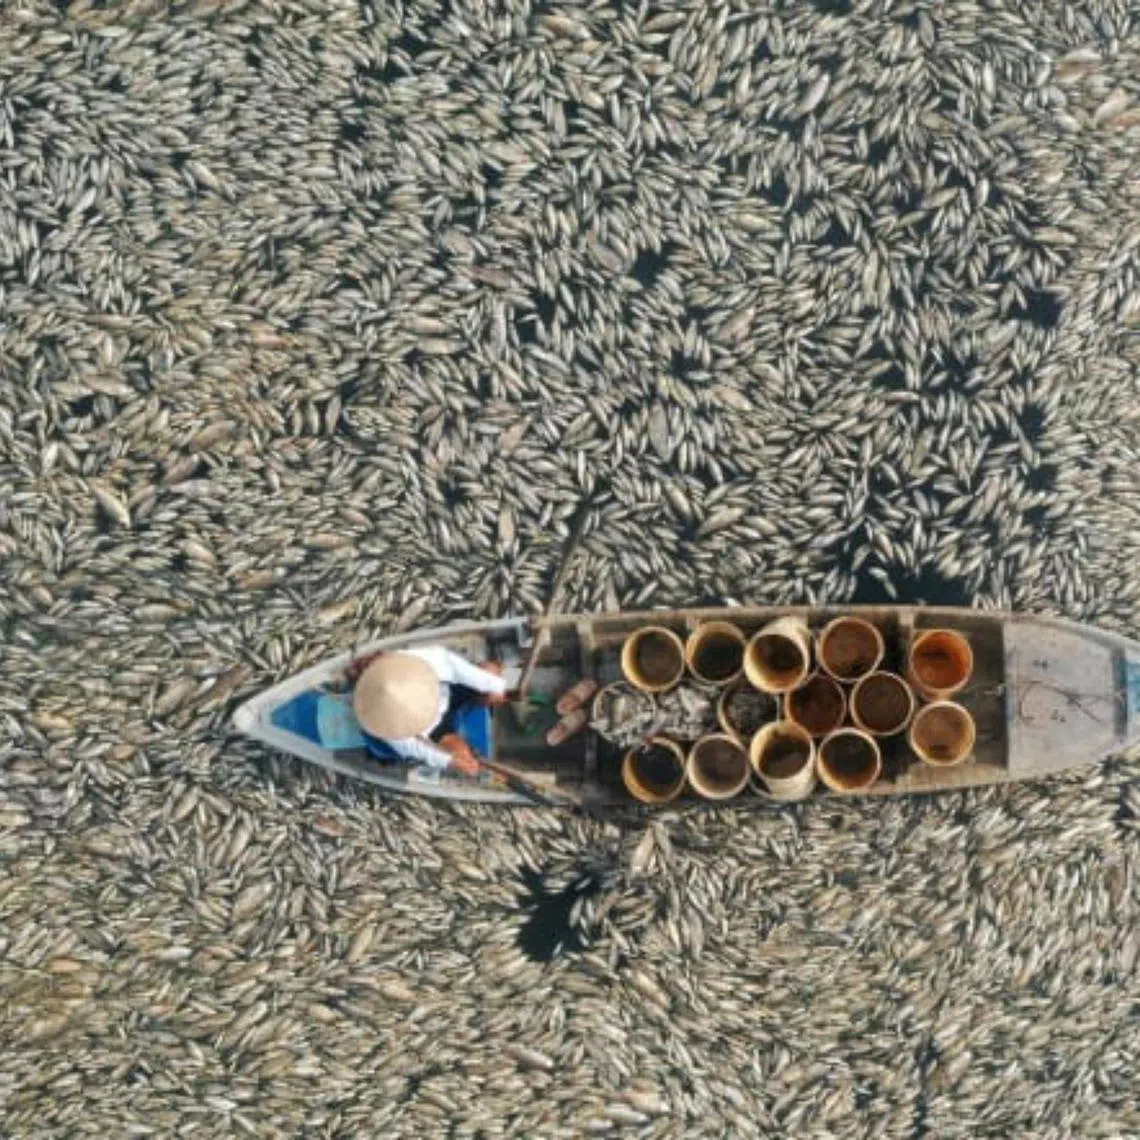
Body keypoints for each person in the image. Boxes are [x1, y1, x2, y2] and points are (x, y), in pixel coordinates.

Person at [351, 646, 511, 777]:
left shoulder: (408, 661)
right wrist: (449, 760)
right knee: (462, 755)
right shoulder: (384, 724)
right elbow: (414, 748)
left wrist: (494, 686)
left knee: (491, 670)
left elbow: (452, 666)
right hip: (434, 727)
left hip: (446, 692)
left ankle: (479, 700)